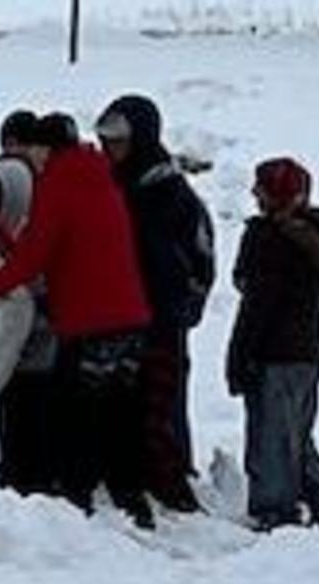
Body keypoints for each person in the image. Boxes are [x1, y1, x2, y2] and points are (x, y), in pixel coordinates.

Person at [0, 113, 179, 528]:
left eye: (34, 152)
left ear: (45, 150)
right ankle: (131, 500)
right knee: (120, 414)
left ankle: (74, 503)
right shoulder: (99, 178)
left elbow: (35, 255)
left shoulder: (59, 185)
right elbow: (53, 246)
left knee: (73, 413)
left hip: (89, 323)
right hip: (130, 319)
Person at [95, 95, 215, 499]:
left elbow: (197, 259)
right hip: (119, 315)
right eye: (105, 140)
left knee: (162, 404)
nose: (109, 149)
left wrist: (180, 305)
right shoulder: (111, 186)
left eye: (118, 140)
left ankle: (172, 480)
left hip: (161, 317)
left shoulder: (169, 193)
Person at [226, 158, 319, 530]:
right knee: (296, 428)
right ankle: (317, 493)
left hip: (271, 351)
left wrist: (239, 354)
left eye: (261, 188)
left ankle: (275, 509)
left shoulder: (267, 240)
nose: (254, 194)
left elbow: (257, 303)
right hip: (307, 349)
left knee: (270, 434)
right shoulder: (318, 233)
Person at [0, 155, 57, 494]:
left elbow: (38, 283)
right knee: (9, 413)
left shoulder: (34, 230)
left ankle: (33, 479)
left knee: (31, 412)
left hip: (40, 347)